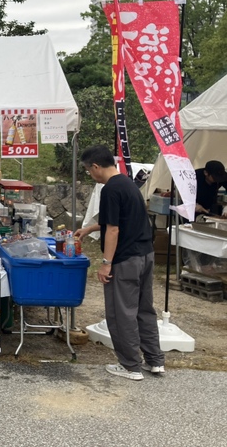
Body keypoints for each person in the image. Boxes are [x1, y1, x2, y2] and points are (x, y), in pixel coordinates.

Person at [74, 145, 164, 381]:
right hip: (146, 255)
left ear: (96, 166)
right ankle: (155, 360)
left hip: (125, 259)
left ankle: (130, 365)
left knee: (121, 313)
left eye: (88, 170)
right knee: (144, 310)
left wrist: (106, 263)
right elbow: (120, 220)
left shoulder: (110, 190)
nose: (90, 175)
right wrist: (90, 229)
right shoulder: (128, 184)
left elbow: (113, 229)